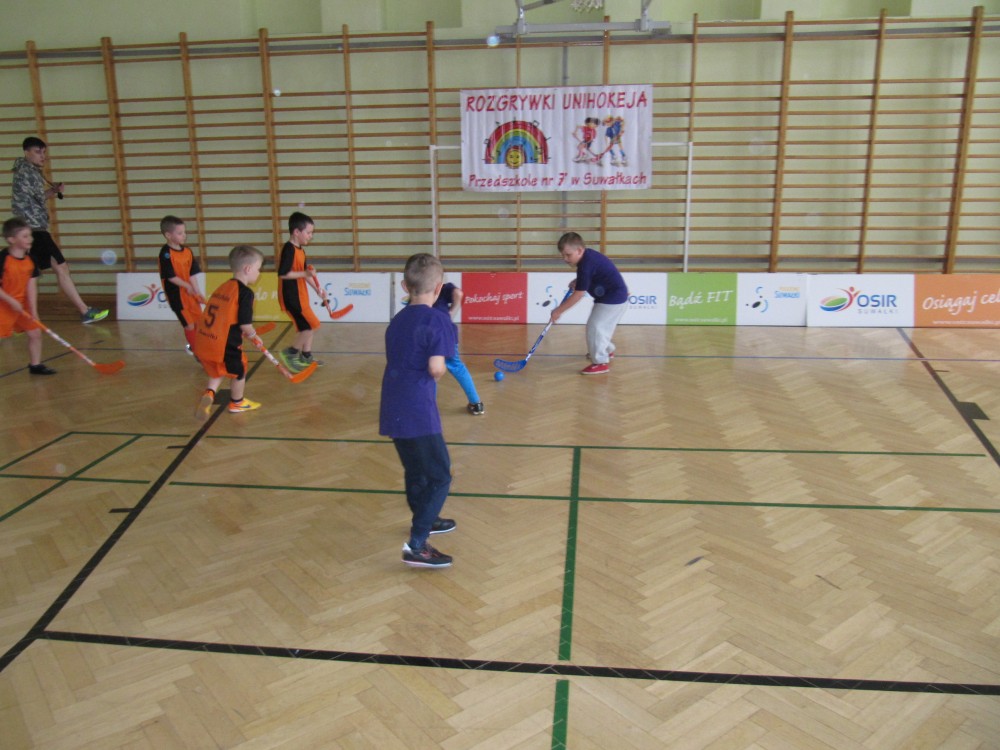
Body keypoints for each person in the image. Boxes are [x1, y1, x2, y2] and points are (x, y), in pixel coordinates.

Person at [380, 253, 457, 568]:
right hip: (418, 410)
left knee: (415, 469)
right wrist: (437, 371)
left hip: (393, 406)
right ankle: (417, 544)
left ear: (405, 286)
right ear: (438, 288)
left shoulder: (397, 320)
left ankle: (425, 516)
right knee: (440, 475)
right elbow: (437, 368)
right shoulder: (438, 320)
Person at [11, 137, 108, 324]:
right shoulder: (28, 172)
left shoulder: (28, 170)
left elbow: (35, 198)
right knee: (52, 269)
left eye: (44, 152)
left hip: (32, 228)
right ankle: (84, 311)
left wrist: (53, 191)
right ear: (26, 152)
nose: (42, 156)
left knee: (38, 272)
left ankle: (18, 315)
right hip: (33, 229)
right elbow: (37, 197)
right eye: (38, 152)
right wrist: (53, 190)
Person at [192, 244, 265, 419]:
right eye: (258, 269)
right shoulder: (245, 293)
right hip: (225, 342)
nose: (259, 273)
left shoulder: (224, 287)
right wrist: (254, 336)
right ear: (247, 269)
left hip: (205, 339)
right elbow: (245, 324)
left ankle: (209, 393)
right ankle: (237, 403)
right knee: (239, 370)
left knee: (218, 370)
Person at [549, 231, 628, 375]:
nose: (565, 259)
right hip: (612, 297)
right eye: (563, 255)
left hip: (613, 299)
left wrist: (558, 311)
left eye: (568, 255)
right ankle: (606, 350)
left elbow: (578, 294)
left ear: (579, 250)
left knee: (595, 327)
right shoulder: (587, 258)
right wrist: (578, 281)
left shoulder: (586, 264)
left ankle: (600, 362)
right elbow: (592, 275)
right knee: (600, 328)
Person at [0, 217, 54, 375]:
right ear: (11, 239)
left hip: (22, 304)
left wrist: (34, 311)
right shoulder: (3, 259)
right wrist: (11, 301)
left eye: (30, 235)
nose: (30, 239)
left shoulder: (31, 259)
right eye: (25, 236)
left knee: (35, 333)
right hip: (3, 303)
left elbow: (31, 286)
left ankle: (35, 365)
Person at [277, 211, 321, 372]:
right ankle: (291, 353)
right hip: (291, 297)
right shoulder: (289, 249)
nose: (311, 236)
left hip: (301, 296)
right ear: (296, 232)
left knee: (310, 326)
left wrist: (318, 290)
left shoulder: (300, 250)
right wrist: (305, 273)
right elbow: (283, 273)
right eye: (308, 232)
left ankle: (306, 356)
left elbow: (304, 273)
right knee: (310, 327)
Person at [433, 280, 484, 415]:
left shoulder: (418, 289)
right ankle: (476, 404)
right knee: (456, 366)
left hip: (429, 333)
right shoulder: (443, 287)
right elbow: (459, 294)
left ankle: (429, 406)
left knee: (429, 370)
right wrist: (451, 314)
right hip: (448, 332)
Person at [157, 215, 205, 355]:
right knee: (189, 325)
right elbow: (170, 276)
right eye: (180, 233)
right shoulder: (165, 254)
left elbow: (192, 274)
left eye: (184, 232)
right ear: (168, 235)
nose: (184, 235)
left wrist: (197, 290)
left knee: (199, 322)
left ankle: (199, 346)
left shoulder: (187, 251)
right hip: (177, 297)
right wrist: (187, 286)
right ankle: (197, 351)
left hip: (190, 295)